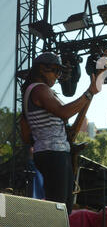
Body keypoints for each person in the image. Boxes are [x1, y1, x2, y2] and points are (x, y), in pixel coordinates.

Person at [20, 52, 101, 215]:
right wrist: (89, 93)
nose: (58, 76)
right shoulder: (39, 89)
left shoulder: (34, 91)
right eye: (56, 71)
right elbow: (63, 112)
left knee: (64, 207)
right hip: (53, 154)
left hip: (51, 153)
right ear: (43, 69)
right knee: (59, 208)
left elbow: (26, 135)